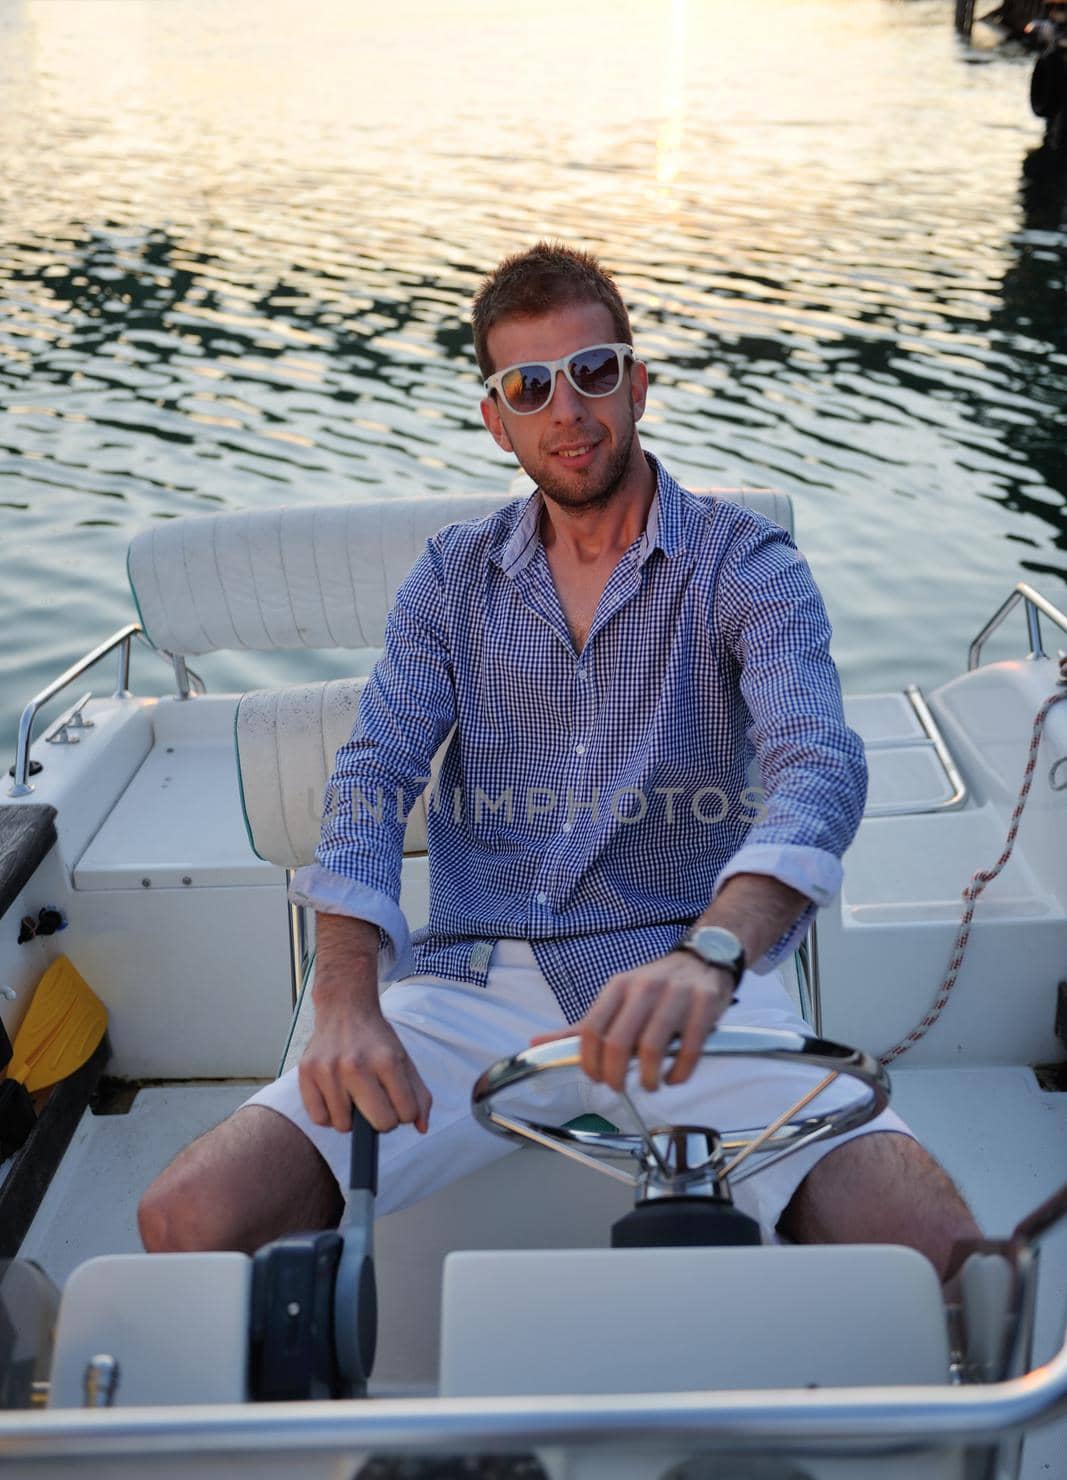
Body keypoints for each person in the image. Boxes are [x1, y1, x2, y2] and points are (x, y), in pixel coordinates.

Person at [139, 242, 979, 1276]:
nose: (567, 410)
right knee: (186, 1218)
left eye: (592, 372)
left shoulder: (742, 562)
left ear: (635, 382)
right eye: (528, 386)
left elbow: (817, 765)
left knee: (947, 1254)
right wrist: (344, 994)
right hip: (467, 987)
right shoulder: (450, 578)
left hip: (686, 975)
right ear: (497, 419)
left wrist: (715, 953)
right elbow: (372, 775)